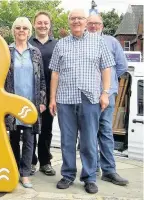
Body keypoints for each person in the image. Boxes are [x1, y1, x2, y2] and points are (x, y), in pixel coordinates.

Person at [48, 9, 115, 194]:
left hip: (90, 99)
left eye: (80, 18)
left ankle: (89, 177)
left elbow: (106, 69)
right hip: (65, 100)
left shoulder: (99, 42)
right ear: (69, 22)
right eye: (73, 18)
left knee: (89, 142)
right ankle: (68, 175)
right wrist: (52, 98)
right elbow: (55, 73)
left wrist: (105, 93)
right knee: (67, 141)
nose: (76, 21)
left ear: (86, 22)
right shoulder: (61, 44)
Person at [87, 14, 129, 185]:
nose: (93, 26)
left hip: (107, 95)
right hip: (87, 96)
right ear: (85, 25)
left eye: (97, 23)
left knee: (105, 132)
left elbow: (122, 66)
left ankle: (109, 170)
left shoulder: (112, 42)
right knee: (88, 134)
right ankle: (92, 168)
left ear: (102, 26)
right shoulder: (81, 42)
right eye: (90, 24)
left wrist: (109, 85)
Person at [5, 17, 47, 188]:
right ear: (13, 31)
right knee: (13, 139)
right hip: (11, 102)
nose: (21, 31)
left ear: (29, 32)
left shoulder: (35, 52)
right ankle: (14, 171)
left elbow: (42, 79)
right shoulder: (6, 51)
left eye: (25, 28)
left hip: (31, 103)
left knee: (30, 140)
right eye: (18, 28)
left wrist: (42, 101)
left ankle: (25, 174)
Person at [29, 11, 57, 176]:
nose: (42, 25)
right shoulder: (28, 43)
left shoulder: (57, 44)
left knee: (47, 129)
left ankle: (45, 162)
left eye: (45, 22)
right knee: (30, 129)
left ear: (49, 25)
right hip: (30, 93)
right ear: (34, 24)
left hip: (50, 93)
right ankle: (30, 161)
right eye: (39, 22)